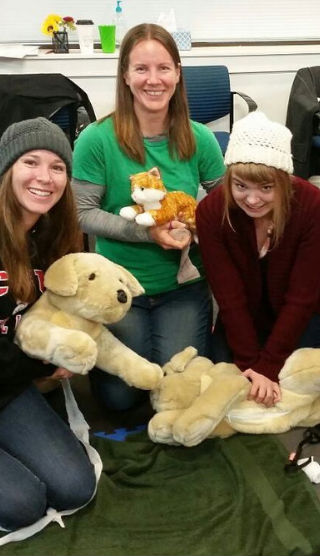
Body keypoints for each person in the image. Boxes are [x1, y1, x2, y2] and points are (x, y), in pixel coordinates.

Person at [71, 24, 226, 411]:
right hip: (119, 289)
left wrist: (196, 228)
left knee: (178, 391)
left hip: (182, 286)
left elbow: (227, 204)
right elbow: (81, 213)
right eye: (141, 69)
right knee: (120, 399)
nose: (153, 80)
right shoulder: (96, 139)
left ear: (177, 73)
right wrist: (148, 234)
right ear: (125, 75)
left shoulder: (199, 139)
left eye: (163, 68)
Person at [196, 112, 320, 407]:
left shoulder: (313, 206)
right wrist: (252, 364)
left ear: (284, 181)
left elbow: (302, 297)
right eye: (240, 186)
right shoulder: (211, 212)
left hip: (308, 308)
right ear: (229, 179)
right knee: (227, 379)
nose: (252, 199)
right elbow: (229, 296)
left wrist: (268, 367)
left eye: (266, 188)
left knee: (293, 382)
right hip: (246, 309)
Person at [0, 118, 96, 532]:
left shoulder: (51, 235)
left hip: (8, 386)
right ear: (7, 170)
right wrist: (45, 363)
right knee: (21, 504)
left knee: (76, 487)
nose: (45, 177)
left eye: (58, 167)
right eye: (31, 162)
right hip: (14, 371)